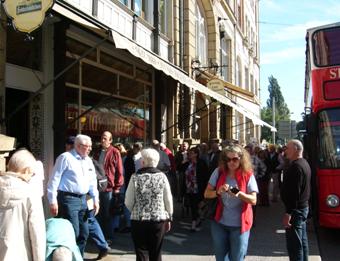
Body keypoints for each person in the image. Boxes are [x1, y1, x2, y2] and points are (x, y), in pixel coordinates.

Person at [47, 134, 99, 256]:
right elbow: (54, 179)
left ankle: (78, 257)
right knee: (72, 233)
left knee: (84, 233)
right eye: (87, 146)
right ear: (78, 146)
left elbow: (92, 181)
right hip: (68, 199)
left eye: (91, 146)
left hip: (83, 200)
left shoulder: (88, 160)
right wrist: (52, 201)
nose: (90, 149)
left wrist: (96, 200)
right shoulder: (65, 157)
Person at [204, 145, 258, 261]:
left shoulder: (247, 175)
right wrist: (218, 192)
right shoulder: (219, 172)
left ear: (241, 159)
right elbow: (207, 194)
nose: (231, 162)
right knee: (221, 258)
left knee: (237, 258)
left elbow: (253, 200)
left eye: (235, 159)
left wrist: (238, 193)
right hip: (219, 223)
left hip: (240, 225)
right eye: (228, 160)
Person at [64, 135, 109, 259]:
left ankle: (102, 244)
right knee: (90, 219)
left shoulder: (82, 159)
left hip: (87, 196)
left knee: (89, 219)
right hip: (88, 195)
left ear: (71, 145)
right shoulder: (82, 159)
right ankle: (102, 244)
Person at [125, 148, 173, 261]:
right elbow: (168, 199)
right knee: (156, 252)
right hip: (158, 219)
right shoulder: (162, 177)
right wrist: (169, 216)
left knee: (141, 253)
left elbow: (128, 200)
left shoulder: (135, 177)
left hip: (139, 220)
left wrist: (135, 210)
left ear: (143, 162)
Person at [0, 149, 46, 261]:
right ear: (26, 170)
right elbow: (37, 235)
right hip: (20, 255)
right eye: (32, 173)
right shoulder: (31, 193)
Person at [280, 139, 311, 261]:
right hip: (302, 209)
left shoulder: (296, 166)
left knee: (295, 246)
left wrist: (289, 213)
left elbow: (294, 194)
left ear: (296, 149)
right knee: (302, 242)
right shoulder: (304, 163)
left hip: (296, 211)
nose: (285, 150)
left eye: (287, 148)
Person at [93, 131, 124, 242]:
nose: (103, 140)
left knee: (106, 213)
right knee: (96, 212)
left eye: (105, 138)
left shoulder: (115, 152)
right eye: (102, 137)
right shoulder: (97, 152)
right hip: (96, 187)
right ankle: (98, 237)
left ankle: (108, 237)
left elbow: (120, 171)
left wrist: (117, 187)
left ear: (110, 140)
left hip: (108, 187)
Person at [178, 146, 209, 231]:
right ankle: (195, 221)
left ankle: (196, 220)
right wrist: (183, 162)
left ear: (196, 154)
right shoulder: (187, 163)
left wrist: (206, 187)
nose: (189, 155)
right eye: (189, 154)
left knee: (198, 204)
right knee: (193, 205)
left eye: (191, 153)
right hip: (189, 188)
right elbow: (179, 168)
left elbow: (206, 176)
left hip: (199, 188)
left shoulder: (201, 163)